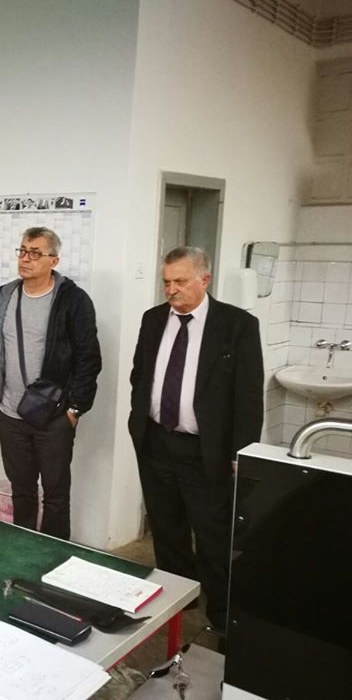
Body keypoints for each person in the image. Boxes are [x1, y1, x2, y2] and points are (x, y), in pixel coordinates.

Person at [128, 246, 263, 631]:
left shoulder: (236, 325)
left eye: (180, 281)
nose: (171, 290)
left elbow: (248, 396)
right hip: (156, 442)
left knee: (212, 534)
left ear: (205, 279)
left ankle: (221, 614)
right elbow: (141, 375)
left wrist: (241, 452)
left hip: (206, 450)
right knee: (166, 529)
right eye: (166, 282)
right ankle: (177, 602)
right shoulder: (153, 319)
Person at [0, 227, 101, 540]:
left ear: (53, 261)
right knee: (22, 491)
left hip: (54, 416)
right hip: (10, 415)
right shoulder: (4, 296)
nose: (26, 258)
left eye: (35, 253)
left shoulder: (73, 300)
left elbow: (89, 358)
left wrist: (75, 409)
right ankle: (23, 554)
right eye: (22, 251)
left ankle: (54, 557)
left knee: (55, 495)